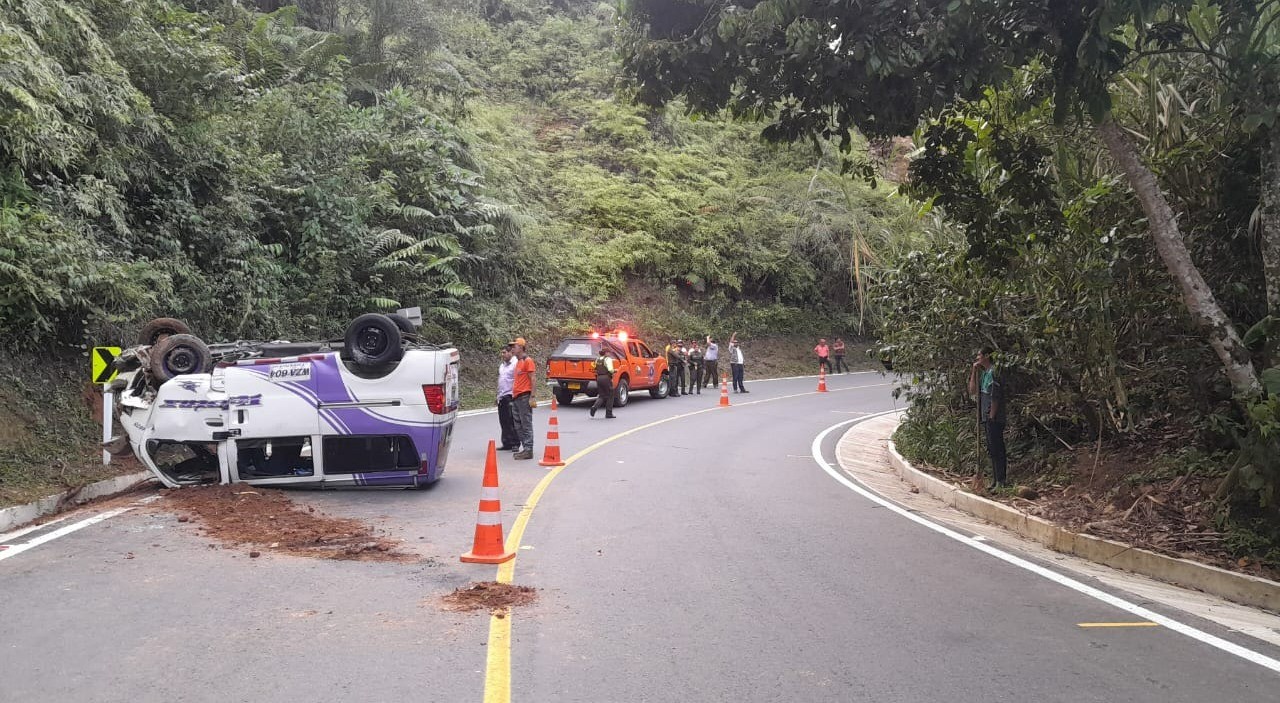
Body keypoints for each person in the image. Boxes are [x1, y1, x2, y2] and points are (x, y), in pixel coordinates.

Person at [968, 346, 1007, 488]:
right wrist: (973, 371)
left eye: (979, 355)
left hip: (994, 418)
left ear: (986, 356)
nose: (977, 358)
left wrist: (992, 416)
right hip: (986, 417)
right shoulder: (984, 374)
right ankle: (995, 480)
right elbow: (972, 390)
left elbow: (996, 397)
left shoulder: (994, 373)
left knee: (997, 449)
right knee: (992, 449)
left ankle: (1001, 481)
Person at [510, 342, 537, 460]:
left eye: (514, 347)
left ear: (520, 347)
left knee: (526, 424)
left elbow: (533, 378)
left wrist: (532, 396)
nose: (512, 349)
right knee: (518, 425)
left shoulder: (527, 360)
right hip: (516, 397)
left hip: (524, 396)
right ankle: (525, 447)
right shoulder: (518, 362)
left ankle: (528, 449)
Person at [496, 344, 518, 450]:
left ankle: (515, 443)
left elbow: (518, 380)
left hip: (511, 395)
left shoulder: (515, 364)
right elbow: (501, 381)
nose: (502, 354)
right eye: (502, 352)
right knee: (503, 420)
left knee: (511, 420)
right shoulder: (502, 366)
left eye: (504, 352)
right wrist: (498, 396)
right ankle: (506, 442)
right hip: (502, 396)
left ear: (511, 353)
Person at [589, 347, 617, 418]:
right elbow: (610, 369)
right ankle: (609, 413)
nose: (610, 354)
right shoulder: (608, 359)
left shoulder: (597, 359)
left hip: (599, 378)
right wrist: (614, 371)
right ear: (606, 353)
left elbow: (594, 367)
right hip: (606, 378)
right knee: (611, 394)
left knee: (602, 395)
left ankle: (594, 407)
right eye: (609, 352)